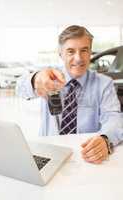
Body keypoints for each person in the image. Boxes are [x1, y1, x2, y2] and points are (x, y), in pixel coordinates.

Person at [16, 25, 123, 164]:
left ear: (90, 52)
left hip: (85, 155)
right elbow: (19, 88)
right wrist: (35, 79)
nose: (78, 58)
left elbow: (114, 118)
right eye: (71, 51)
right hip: (50, 153)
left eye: (84, 50)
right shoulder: (49, 78)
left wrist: (105, 139)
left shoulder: (104, 84)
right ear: (61, 54)